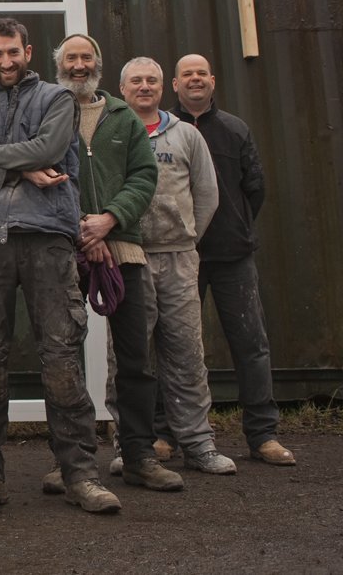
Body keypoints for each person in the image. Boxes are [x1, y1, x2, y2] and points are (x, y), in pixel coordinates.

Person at [0, 18, 120, 514]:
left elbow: (49, 149)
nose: (6, 61)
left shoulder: (58, 99)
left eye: (13, 52)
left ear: (27, 52)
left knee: (62, 359)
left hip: (48, 240)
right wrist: (20, 171)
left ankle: (80, 475)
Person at [46, 35, 180, 494]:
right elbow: (41, 174)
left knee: (135, 357)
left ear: (98, 64)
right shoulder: (46, 110)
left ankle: (139, 455)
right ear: (59, 64)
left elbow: (144, 176)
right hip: (64, 248)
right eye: (71, 58)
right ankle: (70, 460)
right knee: (63, 358)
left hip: (123, 248)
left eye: (86, 57)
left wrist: (109, 220)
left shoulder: (123, 116)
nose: (78, 65)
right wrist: (82, 227)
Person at [172, 54, 295, 466]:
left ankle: (263, 435)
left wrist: (235, 225)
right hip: (179, 254)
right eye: (186, 74)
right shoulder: (162, 129)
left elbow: (254, 188)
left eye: (200, 73)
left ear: (212, 80)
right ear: (175, 84)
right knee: (171, 346)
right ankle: (164, 434)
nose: (194, 79)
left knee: (250, 345)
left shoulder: (234, 129)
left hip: (231, 255)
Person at [119, 57, 235, 476]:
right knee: (129, 358)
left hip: (180, 259)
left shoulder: (186, 134)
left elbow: (207, 194)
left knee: (186, 353)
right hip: (129, 257)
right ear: (123, 89)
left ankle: (199, 444)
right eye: (136, 81)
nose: (144, 87)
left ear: (162, 87)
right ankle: (131, 446)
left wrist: (186, 236)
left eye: (151, 80)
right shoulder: (114, 132)